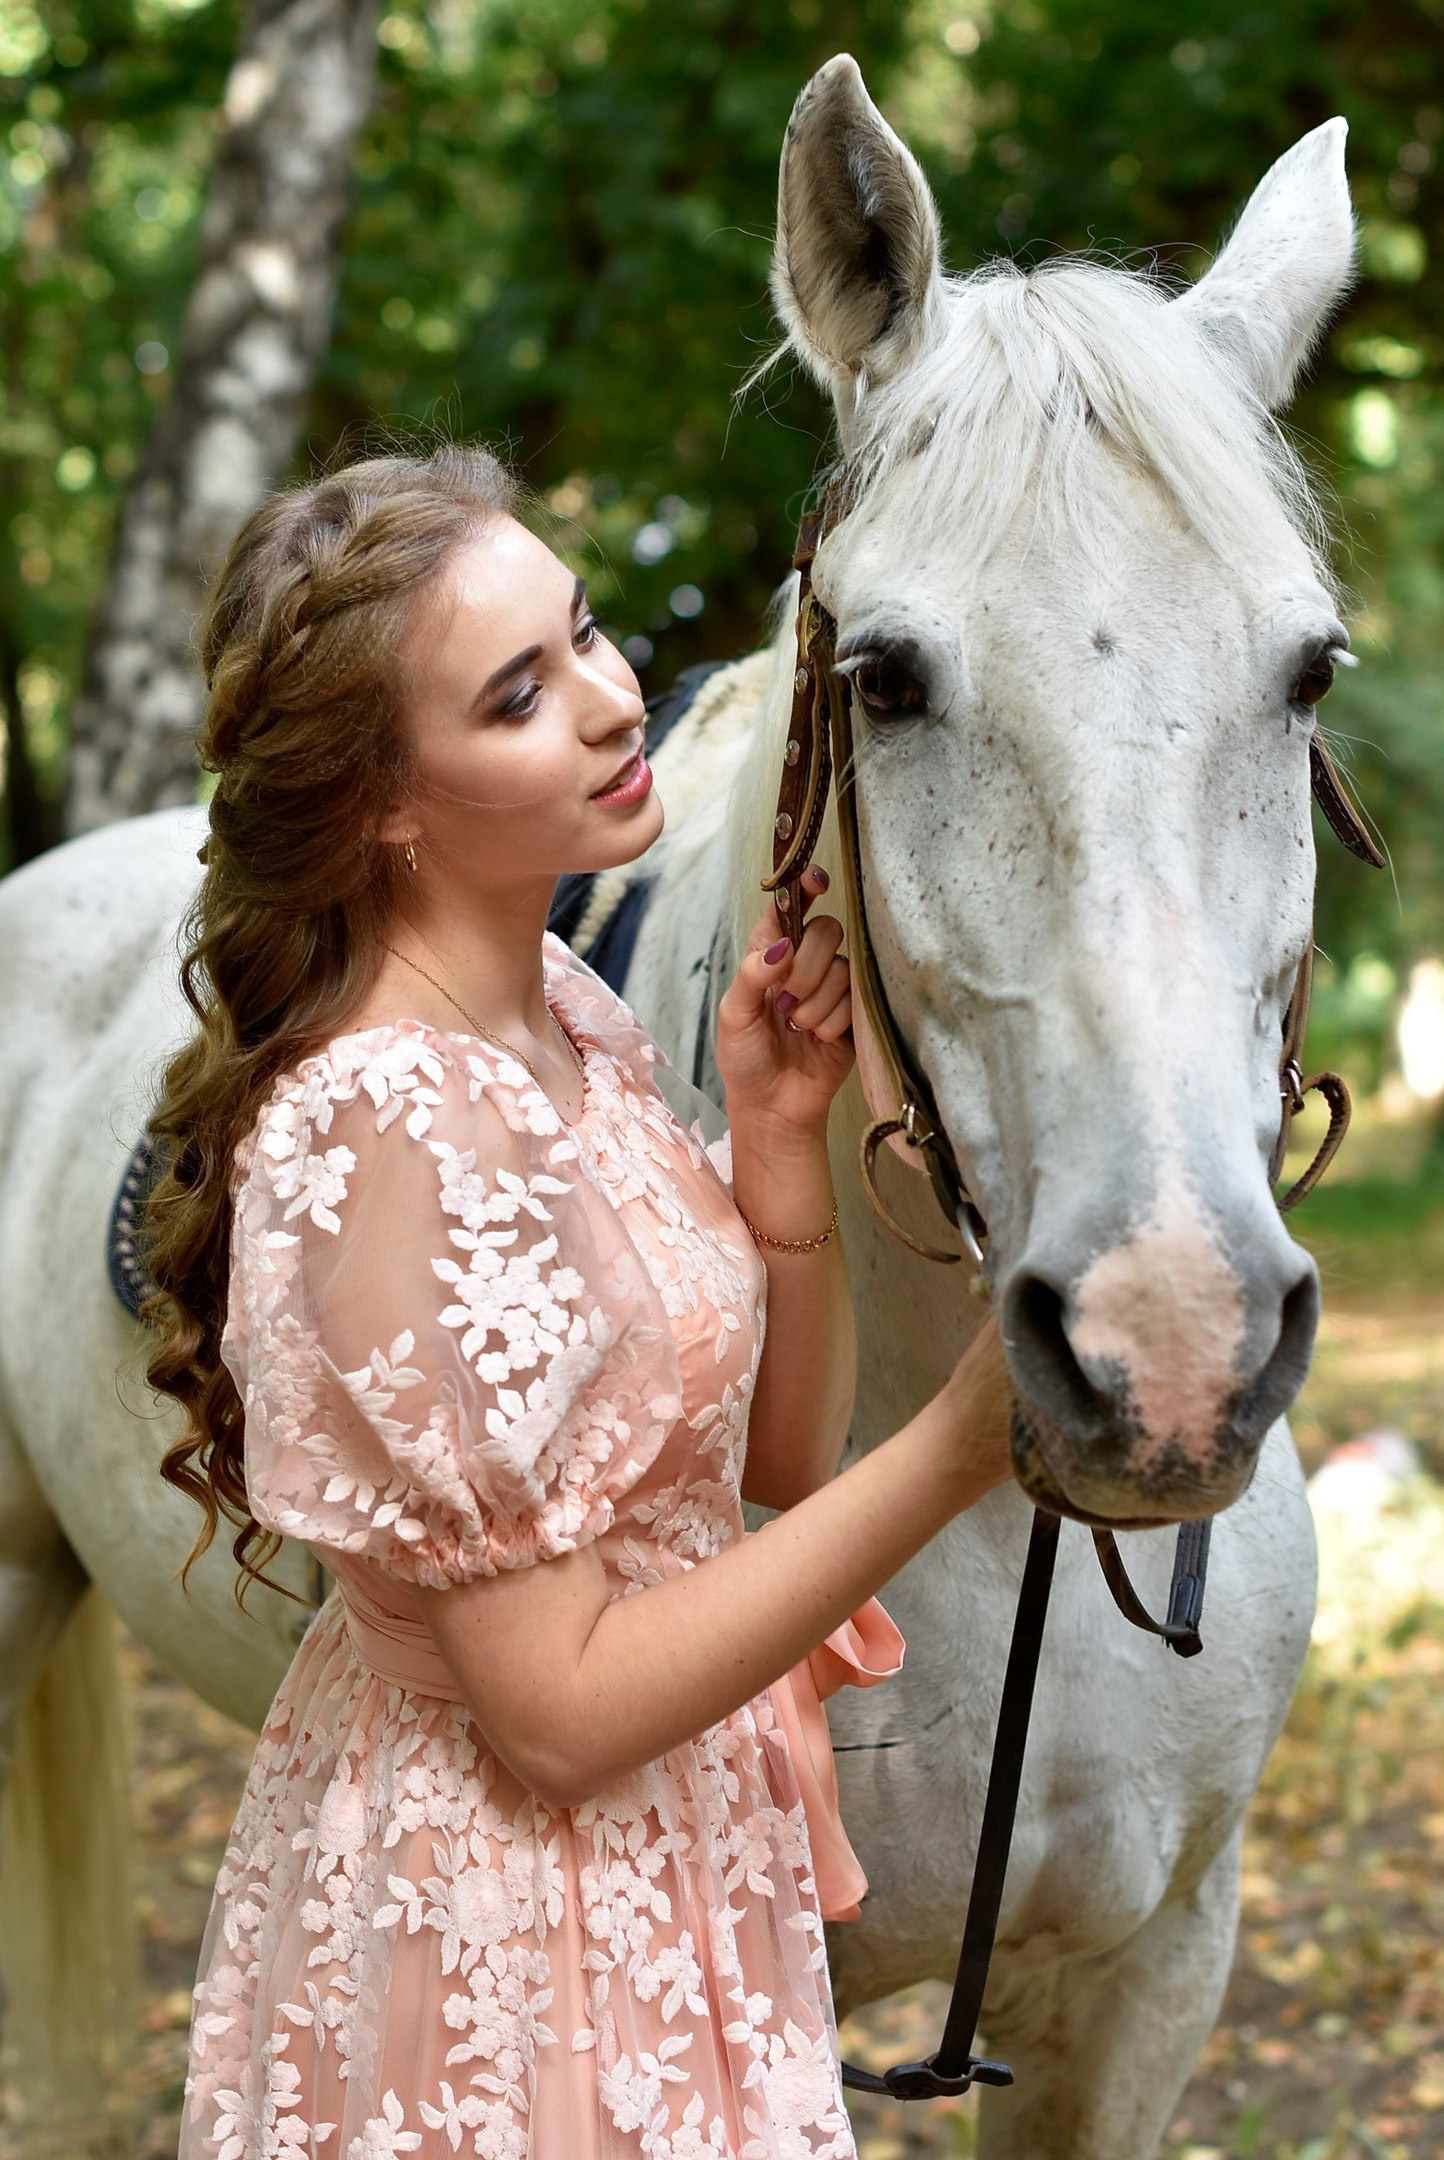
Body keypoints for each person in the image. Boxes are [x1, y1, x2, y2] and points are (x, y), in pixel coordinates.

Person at [145, 442, 1014, 2160]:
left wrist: (776, 1169)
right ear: (385, 798)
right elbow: (555, 1716)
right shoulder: (389, 1119)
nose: (617, 702)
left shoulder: (559, 1005)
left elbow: (745, 1474)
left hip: (672, 1857)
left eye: (589, 635)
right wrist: (972, 1443)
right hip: (509, 1917)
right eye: (520, 696)